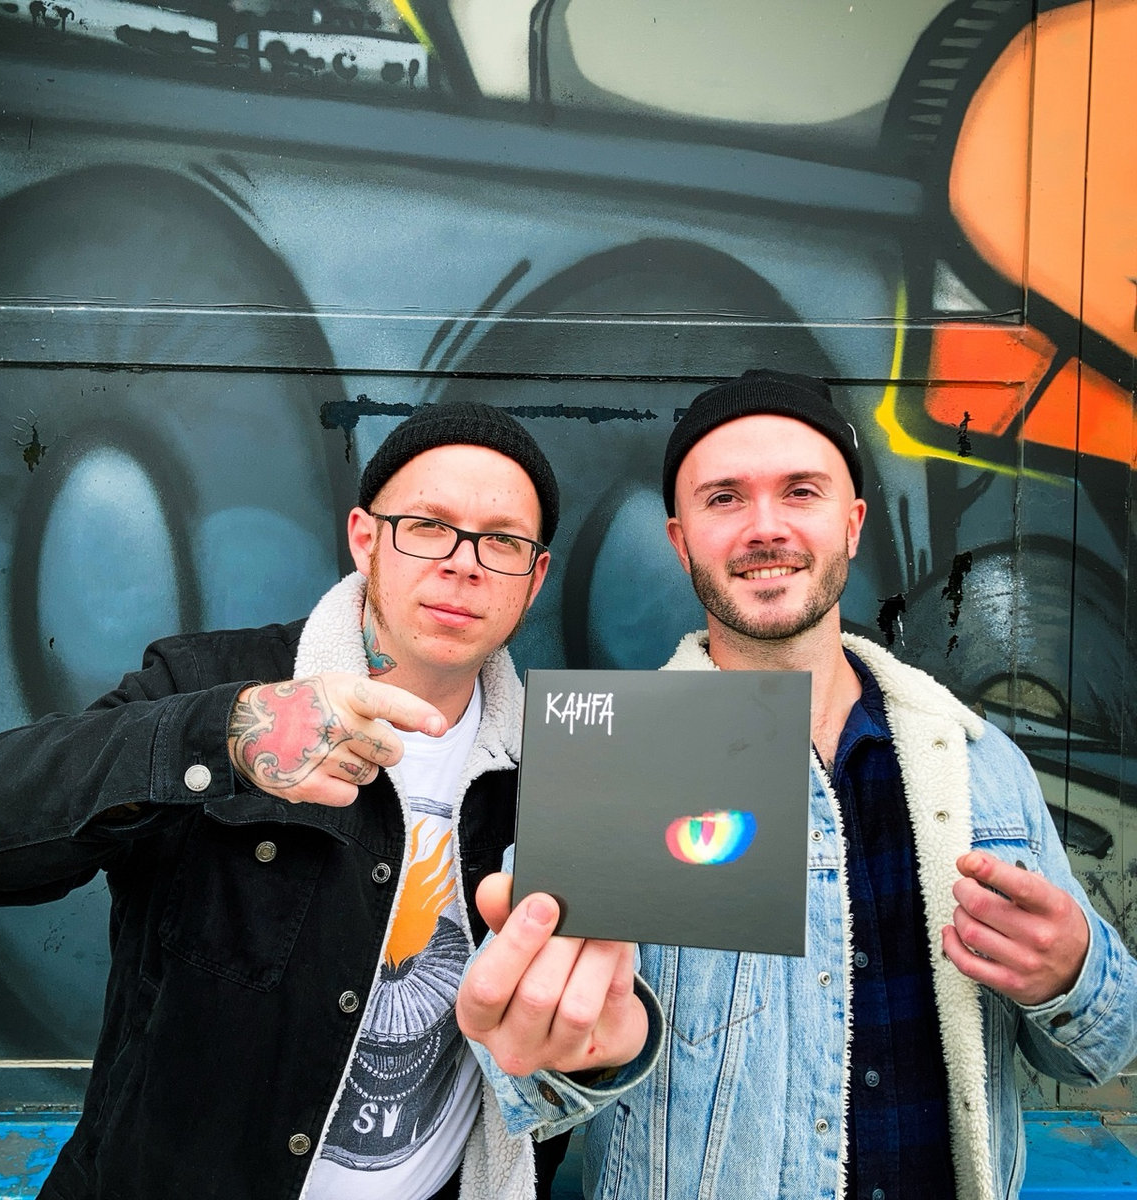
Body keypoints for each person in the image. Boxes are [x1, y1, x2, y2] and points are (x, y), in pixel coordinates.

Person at [0, 401, 657, 1200]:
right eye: (428, 526)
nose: (464, 563)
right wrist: (225, 736)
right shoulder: (208, 682)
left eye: (503, 541)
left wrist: (607, 1052)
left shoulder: (558, 768)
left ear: (535, 578)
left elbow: (555, 1062)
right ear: (365, 538)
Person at [475, 369, 1137, 1199]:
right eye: (724, 498)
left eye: (800, 491)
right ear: (680, 541)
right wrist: (571, 1050)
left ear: (851, 523)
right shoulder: (615, 767)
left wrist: (1072, 973)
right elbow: (528, 1085)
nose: (765, 528)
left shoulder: (981, 764)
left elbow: (1103, 1050)